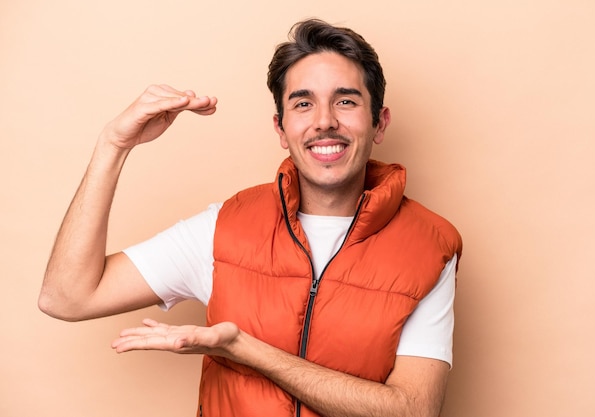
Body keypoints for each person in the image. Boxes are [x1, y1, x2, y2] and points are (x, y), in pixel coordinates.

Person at [39, 18, 462, 417]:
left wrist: (243, 347)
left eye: (346, 101)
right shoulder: (223, 228)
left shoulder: (430, 245)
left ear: (379, 123)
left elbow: (411, 409)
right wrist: (113, 146)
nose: (325, 121)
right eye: (303, 104)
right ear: (281, 129)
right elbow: (67, 297)